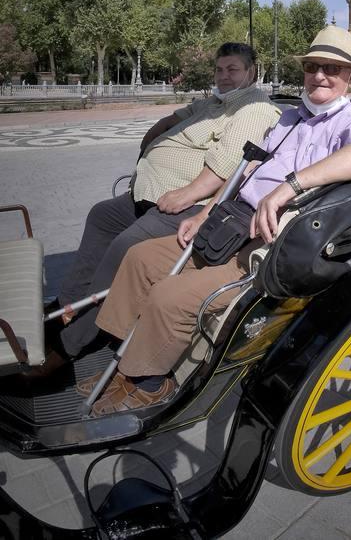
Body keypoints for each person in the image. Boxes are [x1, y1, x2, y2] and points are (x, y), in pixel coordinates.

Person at [80, 26, 351, 415]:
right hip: (227, 223)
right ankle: (123, 364)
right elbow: (245, 172)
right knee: (140, 260)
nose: (320, 76)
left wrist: (289, 187)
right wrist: (206, 212)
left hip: (265, 243)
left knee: (169, 297)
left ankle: (149, 382)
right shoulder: (288, 118)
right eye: (313, 67)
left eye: (332, 68)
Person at [31, 43, 280, 377]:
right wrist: (154, 139)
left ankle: (70, 345)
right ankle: (69, 304)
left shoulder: (253, 108)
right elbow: (175, 118)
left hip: (188, 205)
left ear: (251, 72)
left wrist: (187, 194)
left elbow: (227, 168)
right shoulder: (215, 102)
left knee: (125, 248)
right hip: (150, 192)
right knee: (102, 216)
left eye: (232, 70)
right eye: (219, 70)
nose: (224, 76)